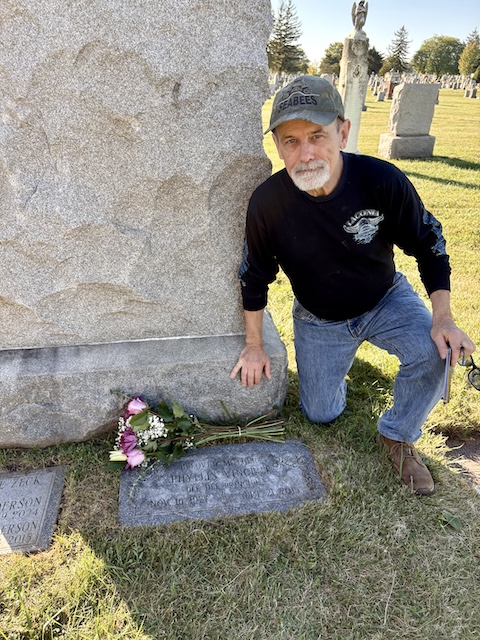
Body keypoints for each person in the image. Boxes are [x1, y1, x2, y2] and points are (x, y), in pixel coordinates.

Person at [230, 75, 476, 495]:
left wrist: (444, 319)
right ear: (278, 146)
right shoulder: (267, 203)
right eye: (291, 141)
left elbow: (429, 245)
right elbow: (254, 276)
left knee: (433, 352)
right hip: (319, 316)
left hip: (385, 298)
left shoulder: (381, 180)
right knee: (321, 413)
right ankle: (336, 366)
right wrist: (254, 345)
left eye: (317, 136)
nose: (306, 153)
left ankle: (398, 435)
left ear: (342, 133)